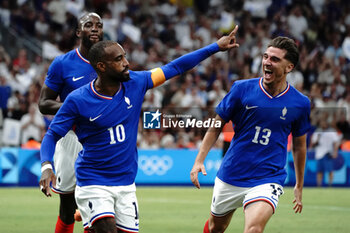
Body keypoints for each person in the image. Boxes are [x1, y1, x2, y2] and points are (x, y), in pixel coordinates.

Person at [39, 27, 239, 233]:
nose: (126, 63)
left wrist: (215, 47)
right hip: (93, 182)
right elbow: (52, 135)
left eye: (124, 57)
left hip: (126, 184)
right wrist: (46, 166)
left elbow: (175, 67)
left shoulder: (137, 82)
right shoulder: (78, 100)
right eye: (118, 59)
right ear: (101, 66)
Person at [190, 36, 311, 233]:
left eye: (274, 59)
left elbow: (299, 146)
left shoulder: (300, 103)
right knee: (216, 228)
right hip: (232, 174)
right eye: (265, 57)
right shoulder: (242, 89)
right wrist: (199, 160)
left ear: (289, 67)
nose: (267, 62)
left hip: (268, 177)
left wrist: (299, 184)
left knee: (253, 229)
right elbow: (216, 125)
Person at [38, 12, 103, 233]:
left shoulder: (109, 62)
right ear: (78, 32)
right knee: (67, 209)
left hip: (100, 140)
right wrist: (73, 108)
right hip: (70, 138)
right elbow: (44, 103)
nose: (95, 28)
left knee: (98, 210)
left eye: (99, 25)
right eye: (89, 25)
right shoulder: (62, 64)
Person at [311, 118, 340, 187]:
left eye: (324, 123)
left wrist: (335, 152)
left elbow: (335, 142)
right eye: (322, 123)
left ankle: (330, 184)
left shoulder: (332, 131)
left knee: (330, 170)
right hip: (319, 154)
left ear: (327, 124)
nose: (323, 124)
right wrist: (317, 139)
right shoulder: (317, 132)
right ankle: (319, 185)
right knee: (319, 171)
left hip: (328, 153)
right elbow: (313, 143)